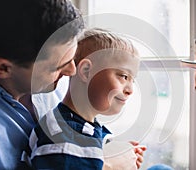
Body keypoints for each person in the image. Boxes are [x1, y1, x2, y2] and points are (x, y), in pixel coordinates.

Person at [0, 0, 84, 169]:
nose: (72, 71)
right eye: (58, 66)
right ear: (3, 68)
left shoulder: (54, 83)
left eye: (72, 59)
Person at [25, 28, 146, 170]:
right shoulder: (59, 134)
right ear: (86, 71)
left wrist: (121, 153)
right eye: (124, 76)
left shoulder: (87, 127)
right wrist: (112, 165)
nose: (130, 90)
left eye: (132, 80)